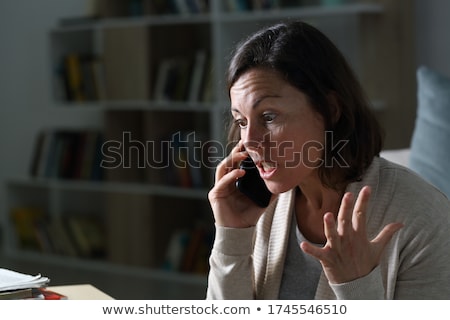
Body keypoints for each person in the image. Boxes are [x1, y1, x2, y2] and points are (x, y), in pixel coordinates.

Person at [206, 20, 450, 300]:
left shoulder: (423, 216)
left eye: (269, 117)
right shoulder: (257, 210)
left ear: (331, 109)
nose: (249, 140)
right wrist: (232, 236)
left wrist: (356, 287)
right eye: (241, 121)